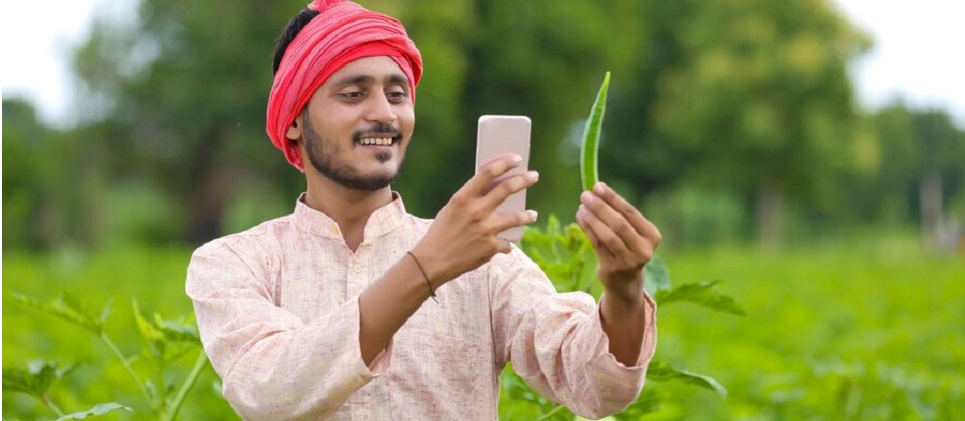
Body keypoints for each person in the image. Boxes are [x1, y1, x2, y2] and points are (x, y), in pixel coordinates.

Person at [185, 0, 661, 419]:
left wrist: (622, 292)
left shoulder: (486, 262)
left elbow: (597, 387)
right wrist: (427, 266)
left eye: (398, 94)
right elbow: (269, 391)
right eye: (353, 94)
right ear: (293, 123)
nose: (385, 113)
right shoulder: (233, 263)